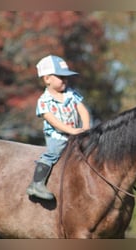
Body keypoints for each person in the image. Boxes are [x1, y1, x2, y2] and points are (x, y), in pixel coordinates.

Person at [26, 55, 91, 200]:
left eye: (66, 77)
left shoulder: (71, 94)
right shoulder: (44, 101)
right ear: (47, 78)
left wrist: (86, 127)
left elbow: (82, 110)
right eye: (61, 77)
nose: (65, 80)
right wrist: (72, 130)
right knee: (53, 153)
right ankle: (36, 184)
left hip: (75, 134)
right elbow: (53, 121)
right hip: (58, 136)